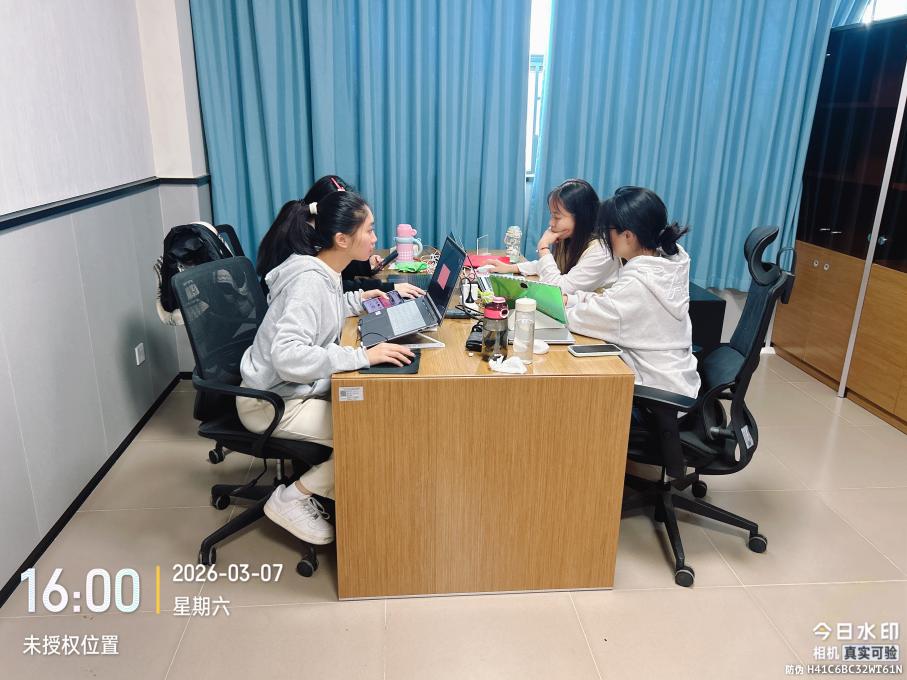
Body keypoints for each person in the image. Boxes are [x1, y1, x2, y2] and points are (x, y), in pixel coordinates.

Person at [237, 191, 415, 545]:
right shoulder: (308, 281)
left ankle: (341, 491)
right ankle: (292, 498)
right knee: (373, 436)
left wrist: (360, 300)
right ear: (342, 239)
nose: (375, 239)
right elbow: (288, 356)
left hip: (294, 390)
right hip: (270, 403)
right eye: (369, 230)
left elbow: (323, 311)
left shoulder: (325, 271)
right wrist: (363, 356)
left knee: (380, 423)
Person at [564, 186, 700, 398]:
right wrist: (572, 299)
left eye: (607, 231)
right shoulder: (663, 266)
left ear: (627, 235)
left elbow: (583, 318)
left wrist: (552, 306)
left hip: (655, 391)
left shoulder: (637, 285)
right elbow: (610, 302)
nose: (605, 238)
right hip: (678, 380)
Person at [256, 174, 424, 298]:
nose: (374, 238)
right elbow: (335, 287)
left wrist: (365, 266)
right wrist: (387, 288)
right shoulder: (304, 262)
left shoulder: (311, 231)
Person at [486, 179, 618, 293]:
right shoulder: (571, 237)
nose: (551, 223)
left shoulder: (601, 251)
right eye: (552, 215)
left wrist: (543, 248)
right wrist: (511, 268)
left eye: (557, 217)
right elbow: (551, 267)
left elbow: (559, 289)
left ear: (581, 217)